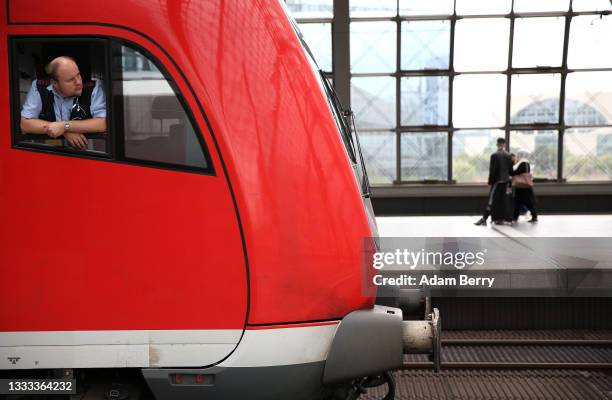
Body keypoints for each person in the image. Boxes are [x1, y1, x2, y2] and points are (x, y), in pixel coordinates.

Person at [20, 56, 106, 150]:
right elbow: (25, 124)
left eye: (78, 75)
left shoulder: (93, 87)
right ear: (54, 83)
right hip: (48, 152)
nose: (78, 82)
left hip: (89, 154)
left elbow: (102, 123)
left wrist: (64, 126)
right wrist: (64, 131)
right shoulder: (39, 87)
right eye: (70, 80)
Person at [475, 137, 513, 226]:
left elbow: (492, 170)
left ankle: (484, 218)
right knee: (502, 200)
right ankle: (500, 218)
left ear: (497, 145)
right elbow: (511, 171)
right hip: (505, 182)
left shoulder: (494, 155)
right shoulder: (508, 155)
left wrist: (490, 182)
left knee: (491, 200)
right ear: (504, 144)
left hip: (497, 182)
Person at [511, 150, 538, 224]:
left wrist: (511, 171)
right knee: (520, 202)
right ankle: (515, 217)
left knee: (524, 202)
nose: (517, 156)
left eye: (518, 155)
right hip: (523, 186)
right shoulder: (523, 162)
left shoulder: (523, 163)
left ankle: (533, 217)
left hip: (523, 187)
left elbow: (516, 172)